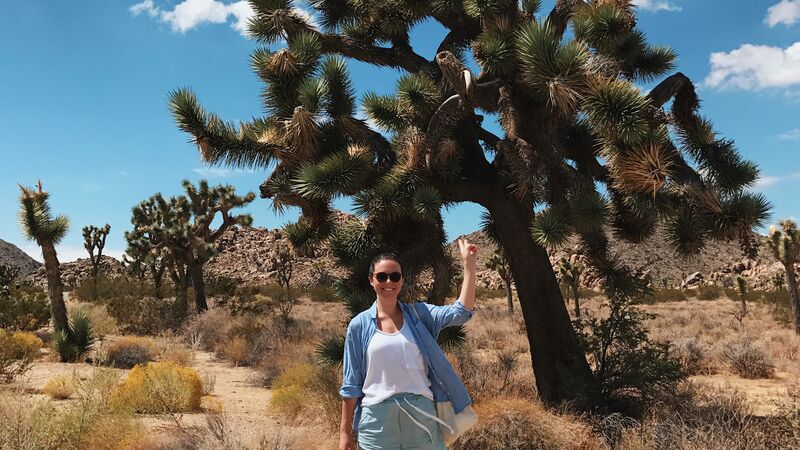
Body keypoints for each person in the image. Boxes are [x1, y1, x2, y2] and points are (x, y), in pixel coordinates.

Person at [339, 239, 478, 450]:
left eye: (395, 276)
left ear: (402, 281)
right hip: (377, 421)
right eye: (381, 276)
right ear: (371, 280)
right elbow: (351, 384)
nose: (388, 282)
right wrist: (345, 433)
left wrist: (469, 266)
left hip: (421, 415)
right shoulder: (359, 325)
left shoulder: (420, 315)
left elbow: (461, 312)